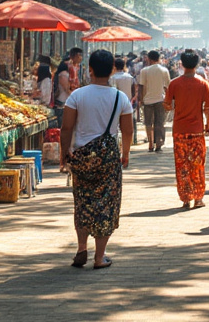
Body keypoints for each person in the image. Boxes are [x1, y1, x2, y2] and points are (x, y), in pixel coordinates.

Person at [61, 49, 134, 270]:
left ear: (90, 69)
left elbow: (66, 128)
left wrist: (65, 153)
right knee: (107, 204)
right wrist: (126, 153)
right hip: (108, 158)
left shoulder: (77, 96)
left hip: (82, 156)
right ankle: (99, 256)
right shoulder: (120, 98)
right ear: (112, 70)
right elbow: (128, 130)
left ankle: (81, 247)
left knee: (82, 201)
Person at [164, 51, 209, 209]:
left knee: (182, 164)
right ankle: (198, 198)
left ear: (182, 64)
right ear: (197, 64)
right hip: (197, 130)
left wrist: (171, 103)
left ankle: (186, 198)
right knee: (197, 164)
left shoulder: (174, 83)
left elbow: (167, 105)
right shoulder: (203, 83)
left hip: (179, 130)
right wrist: (208, 125)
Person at [137, 50, 172, 152]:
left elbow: (141, 86)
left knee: (148, 123)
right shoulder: (164, 70)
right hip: (160, 99)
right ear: (158, 58)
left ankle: (150, 143)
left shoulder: (144, 71)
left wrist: (141, 100)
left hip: (147, 101)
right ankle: (159, 143)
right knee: (159, 122)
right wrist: (169, 100)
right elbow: (168, 87)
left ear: (149, 59)